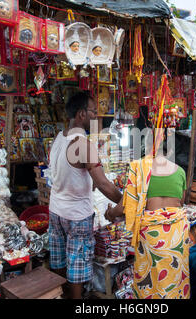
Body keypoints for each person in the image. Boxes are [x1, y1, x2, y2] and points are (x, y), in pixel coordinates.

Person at [48, 91, 122, 299]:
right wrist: (125, 201)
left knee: (60, 259)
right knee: (77, 262)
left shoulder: (59, 138)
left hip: (56, 210)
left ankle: (59, 294)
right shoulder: (83, 145)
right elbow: (103, 184)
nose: (96, 116)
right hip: (76, 215)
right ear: (81, 114)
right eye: (93, 112)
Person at [105, 129, 191, 299]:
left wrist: (110, 213)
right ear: (171, 150)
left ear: (146, 147)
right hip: (177, 233)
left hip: (152, 235)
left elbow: (125, 206)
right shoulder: (180, 171)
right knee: (175, 277)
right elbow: (179, 203)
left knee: (151, 279)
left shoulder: (139, 168)